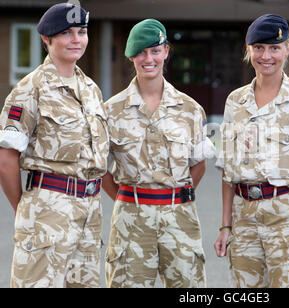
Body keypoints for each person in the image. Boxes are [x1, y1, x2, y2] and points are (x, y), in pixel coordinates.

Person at [213, 14, 289, 288]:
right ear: (248, 50)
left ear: (287, 49)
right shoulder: (235, 101)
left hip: (288, 219)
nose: (266, 56)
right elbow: (228, 169)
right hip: (244, 220)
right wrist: (225, 226)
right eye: (259, 47)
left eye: (274, 48)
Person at [0, 3, 109, 288]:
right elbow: (6, 159)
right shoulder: (30, 89)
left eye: (81, 32)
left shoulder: (91, 89)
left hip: (89, 214)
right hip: (47, 212)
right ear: (47, 39)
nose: (76, 39)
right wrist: (24, 207)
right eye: (66, 33)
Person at [102, 19, 215, 288]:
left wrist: (174, 195)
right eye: (140, 52)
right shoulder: (110, 110)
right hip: (131, 217)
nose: (148, 58)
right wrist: (126, 197)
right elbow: (100, 168)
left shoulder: (190, 109)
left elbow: (198, 164)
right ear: (131, 56)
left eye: (155, 50)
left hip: (180, 217)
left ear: (166, 51)